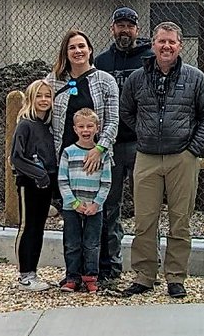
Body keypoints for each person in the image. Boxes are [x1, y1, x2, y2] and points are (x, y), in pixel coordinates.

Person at [119, 21, 204, 299]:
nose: (166, 46)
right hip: (147, 157)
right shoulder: (137, 79)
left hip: (182, 158)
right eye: (161, 41)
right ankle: (144, 275)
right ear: (153, 45)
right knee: (144, 221)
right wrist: (143, 131)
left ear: (180, 46)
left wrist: (193, 148)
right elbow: (126, 110)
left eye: (171, 42)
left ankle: (175, 276)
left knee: (180, 221)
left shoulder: (195, 77)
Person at [92, 6, 153, 288]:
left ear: (137, 31)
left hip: (143, 143)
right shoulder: (101, 61)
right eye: (120, 26)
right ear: (112, 29)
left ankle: (147, 268)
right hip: (111, 144)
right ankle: (110, 265)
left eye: (130, 26)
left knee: (146, 209)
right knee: (109, 205)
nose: (125, 30)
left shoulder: (150, 59)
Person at [44, 30, 120, 187]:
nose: (77, 51)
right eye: (72, 48)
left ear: (89, 50)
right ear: (66, 52)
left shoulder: (106, 81)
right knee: (68, 205)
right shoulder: (53, 79)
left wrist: (99, 149)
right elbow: (38, 106)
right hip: (64, 155)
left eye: (81, 46)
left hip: (94, 155)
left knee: (95, 206)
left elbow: (112, 121)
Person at [10, 79, 59, 292]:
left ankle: (34, 272)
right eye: (39, 95)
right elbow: (16, 157)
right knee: (27, 226)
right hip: (29, 184)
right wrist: (38, 174)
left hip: (45, 183)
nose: (43, 100)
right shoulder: (25, 124)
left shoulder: (47, 126)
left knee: (39, 228)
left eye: (47, 96)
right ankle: (24, 274)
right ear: (30, 98)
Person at [57, 107, 113, 293]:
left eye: (90, 126)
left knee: (92, 243)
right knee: (72, 243)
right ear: (75, 129)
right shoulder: (68, 152)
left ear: (97, 128)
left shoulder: (103, 155)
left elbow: (106, 182)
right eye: (81, 126)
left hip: (93, 207)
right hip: (72, 207)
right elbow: (62, 180)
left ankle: (91, 277)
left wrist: (97, 204)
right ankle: (72, 277)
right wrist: (73, 203)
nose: (86, 130)